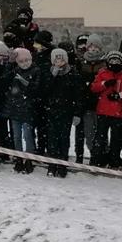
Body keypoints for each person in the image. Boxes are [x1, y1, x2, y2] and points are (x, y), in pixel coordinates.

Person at [40, 48, 83, 177]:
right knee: (52, 139)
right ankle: (52, 165)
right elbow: (44, 91)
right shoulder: (48, 74)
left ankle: (62, 164)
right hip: (51, 111)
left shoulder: (73, 74)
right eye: (56, 59)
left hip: (67, 111)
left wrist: (77, 113)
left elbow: (78, 95)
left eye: (62, 59)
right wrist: (52, 76)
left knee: (64, 139)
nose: (59, 62)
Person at [1, 47, 42, 172]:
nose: (24, 63)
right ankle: (18, 158)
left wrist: (26, 84)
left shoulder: (36, 71)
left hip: (28, 108)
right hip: (15, 108)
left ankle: (29, 159)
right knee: (17, 136)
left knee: (28, 135)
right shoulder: (15, 71)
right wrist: (10, 64)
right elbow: (4, 80)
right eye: (21, 61)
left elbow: (37, 89)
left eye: (27, 60)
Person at [90, 50, 122, 168]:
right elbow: (94, 87)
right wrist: (105, 84)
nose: (114, 63)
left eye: (117, 61)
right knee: (100, 137)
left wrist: (120, 96)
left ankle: (114, 160)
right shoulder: (103, 73)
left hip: (119, 113)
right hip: (103, 111)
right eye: (112, 61)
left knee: (116, 139)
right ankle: (97, 158)